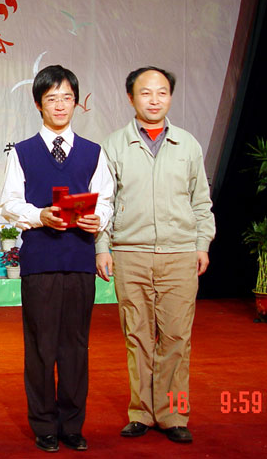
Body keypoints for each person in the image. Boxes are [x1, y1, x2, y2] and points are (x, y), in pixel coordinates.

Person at [95, 66, 216, 443]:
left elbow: (201, 202)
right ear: (130, 97)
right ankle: (141, 412)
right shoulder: (114, 145)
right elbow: (103, 203)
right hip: (130, 254)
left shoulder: (188, 145)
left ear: (170, 97)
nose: (154, 100)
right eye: (145, 93)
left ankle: (174, 413)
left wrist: (202, 243)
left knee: (177, 338)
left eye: (162, 92)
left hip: (180, 254)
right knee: (138, 337)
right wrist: (102, 246)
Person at [0, 65, 114, 453]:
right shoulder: (23, 152)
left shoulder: (93, 152)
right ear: (39, 104)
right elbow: (9, 203)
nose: (60, 105)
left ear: (76, 103)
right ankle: (44, 425)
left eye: (67, 97)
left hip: (80, 260)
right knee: (40, 347)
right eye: (52, 98)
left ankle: (72, 424)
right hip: (40, 262)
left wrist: (100, 219)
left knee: (75, 346)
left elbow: (106, 199)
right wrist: (39, 215)